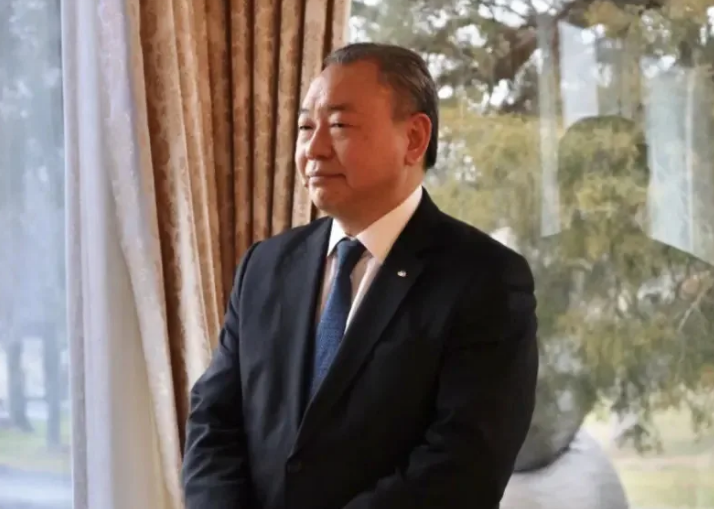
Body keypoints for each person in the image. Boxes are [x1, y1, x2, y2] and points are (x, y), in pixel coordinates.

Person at [182, 42, 538, 509]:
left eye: (339, 126)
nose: (313, 148)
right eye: (306, 127)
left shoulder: (485, 279)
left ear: (414, 138)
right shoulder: (265, 267)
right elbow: (214, 422)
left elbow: (462, 466)